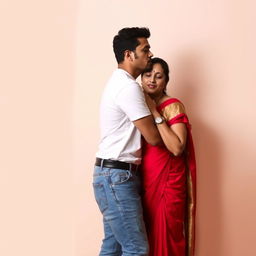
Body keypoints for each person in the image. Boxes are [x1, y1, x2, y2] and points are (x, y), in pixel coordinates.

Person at [93, 27, 163, 256]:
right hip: (117, 178)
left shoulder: (118, 82)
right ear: (128, 54)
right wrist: (157, 112)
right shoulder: (127, 87)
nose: (150, 54)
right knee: (136, 249)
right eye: (145, 49)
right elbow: (153, 137)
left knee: (112, 247)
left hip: (111, 175)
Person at [140, 57, 197, 256]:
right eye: (147, 75)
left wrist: (155, 112)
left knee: (167, 237)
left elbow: (177, 147)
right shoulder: (138, 106)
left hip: (168, 183)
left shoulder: (173, 105)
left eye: (158, 76)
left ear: (166, 81)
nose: (152, 80)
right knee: (145, 237)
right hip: (146, 182)